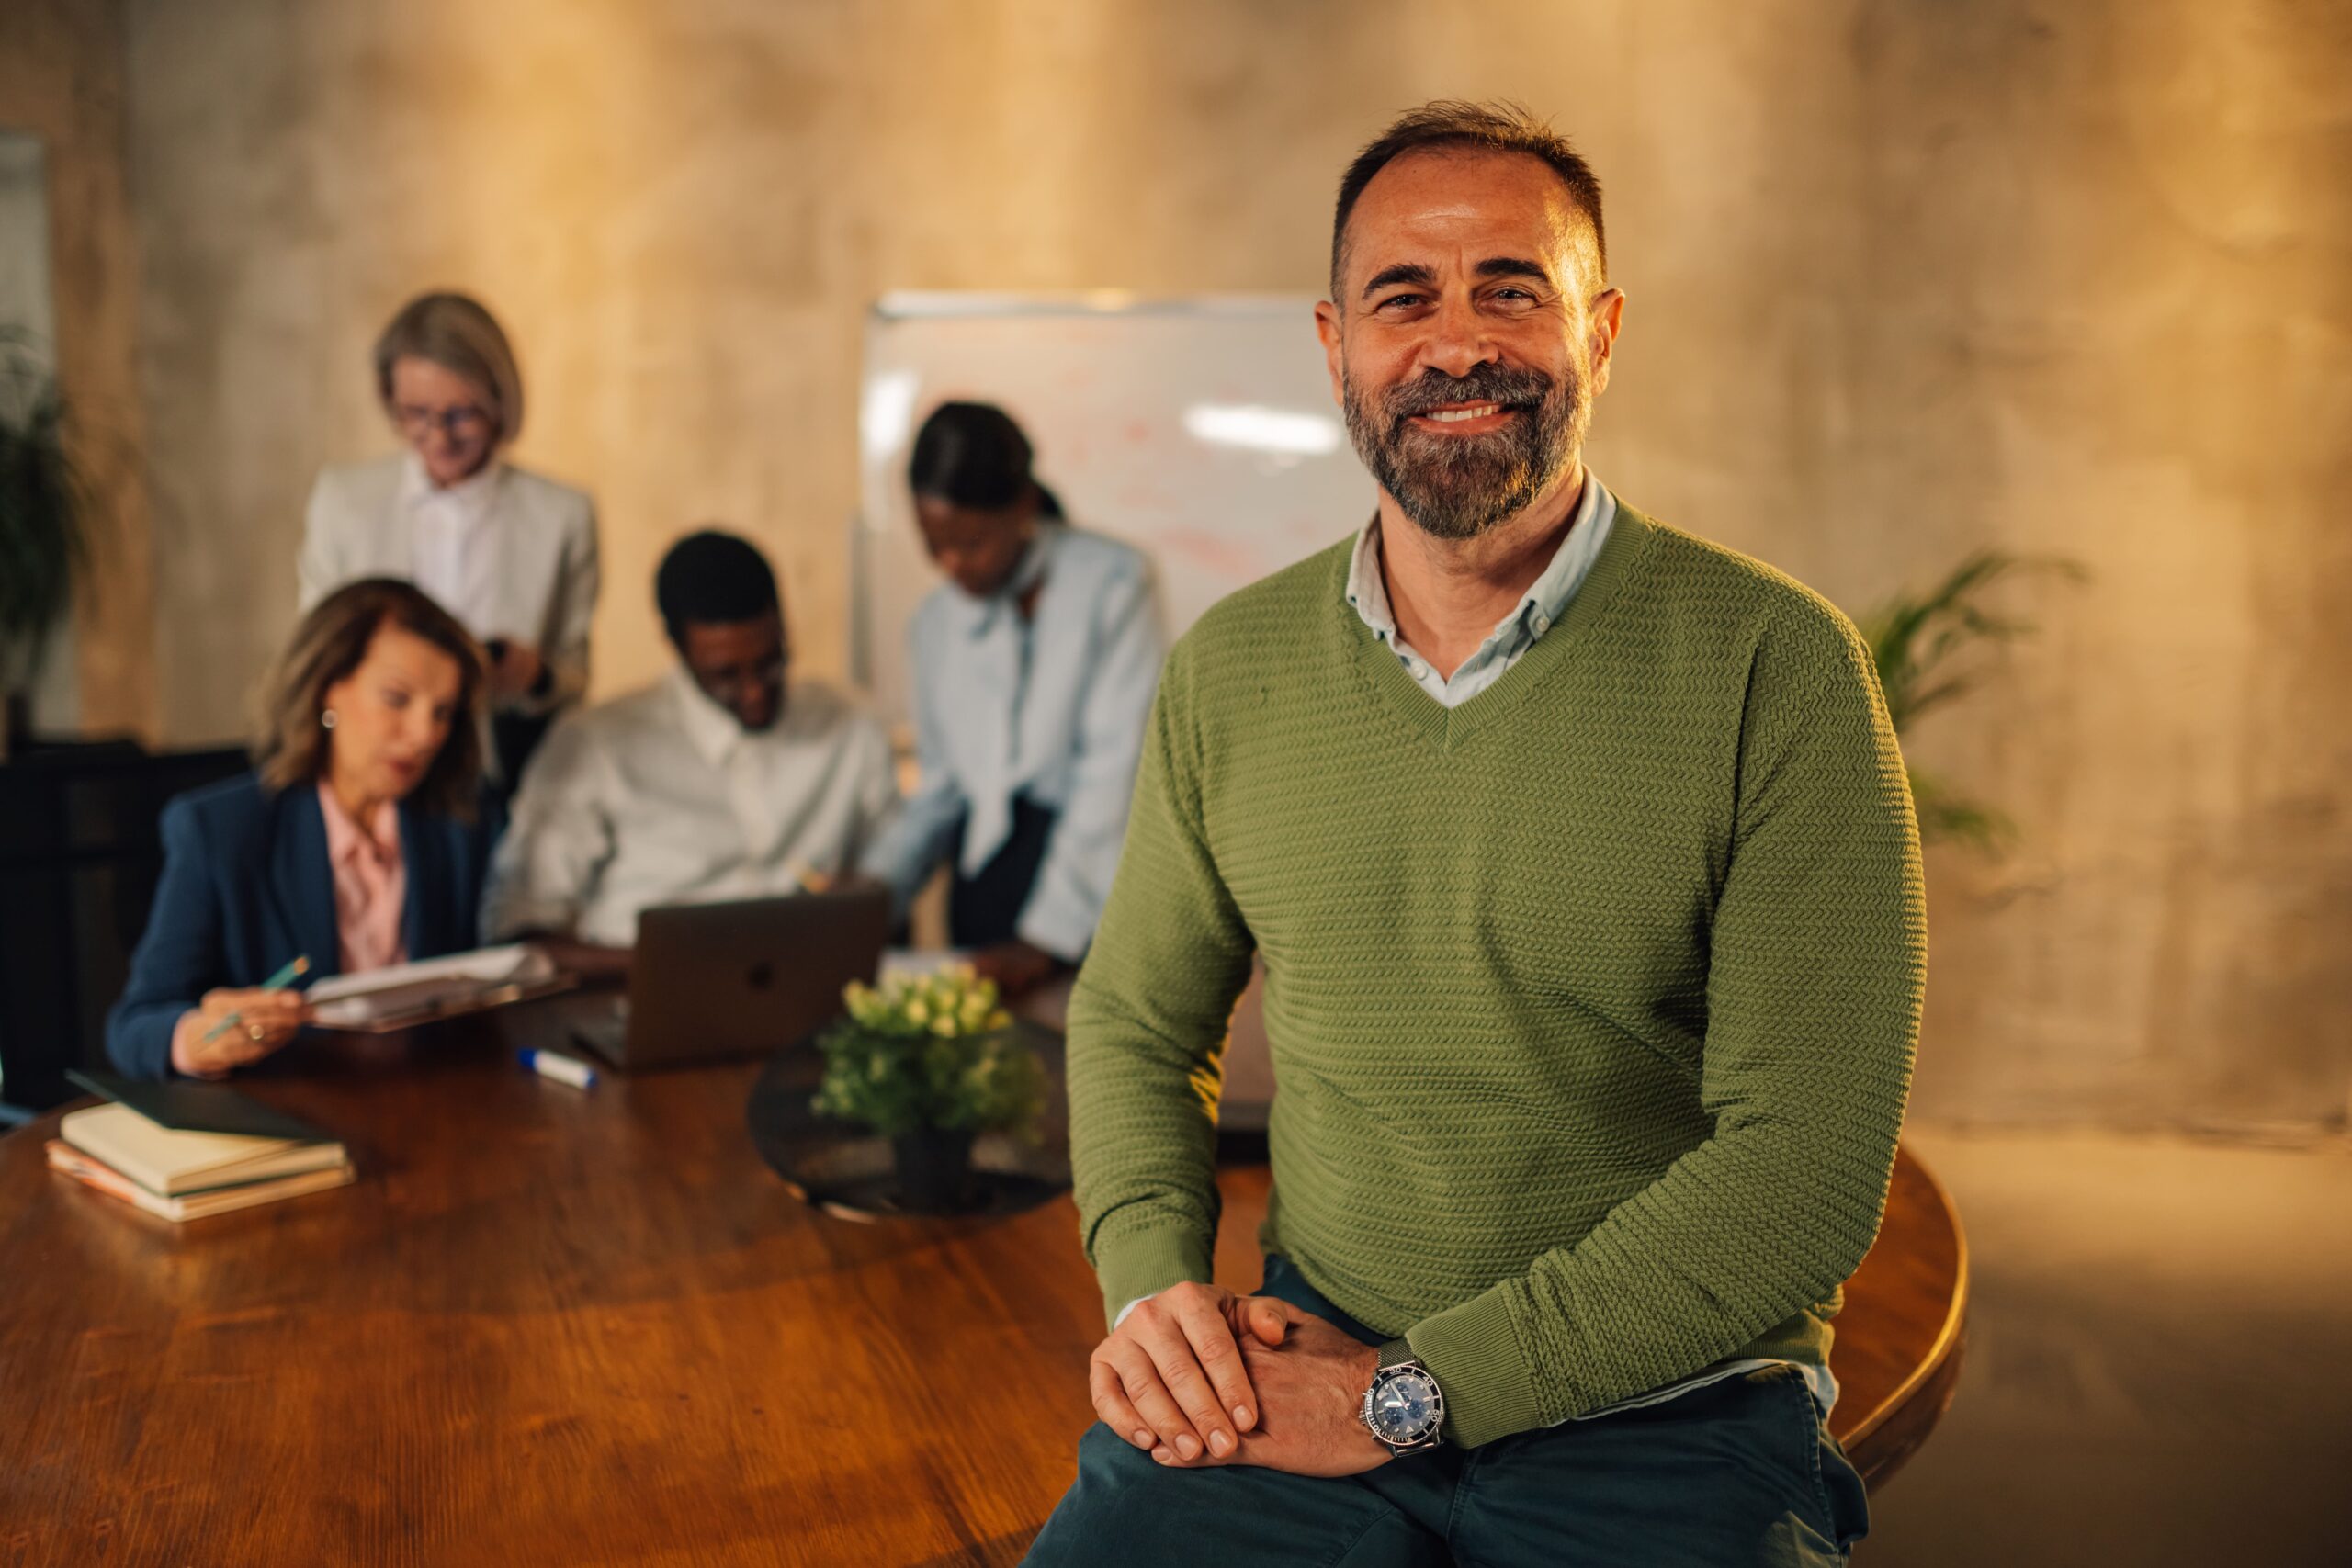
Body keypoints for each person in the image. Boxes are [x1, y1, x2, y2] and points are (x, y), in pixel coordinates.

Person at [1025, 102, 1925, 1567]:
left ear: (1603, 330)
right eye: (1405, 297)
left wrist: (1409, 1395)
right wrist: (1153, 1294)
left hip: (1666, 1408)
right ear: (1335, 346)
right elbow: (1132, 1014)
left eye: (1513, 288)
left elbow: (1805, 1169)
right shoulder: (1230, 670)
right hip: (1305, 1355)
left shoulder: (1781, 666)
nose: (1457, 346)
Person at [107, 580, 501, 1080]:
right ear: (327, 689)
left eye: (443, 712)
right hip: (290, 1114)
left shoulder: (459, 828)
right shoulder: (222, 832)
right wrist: (199, 1038)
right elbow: (133, 1025)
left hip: (428, 1108)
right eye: (398, 699)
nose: (426, 735)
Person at [859, 402, 1161, 998]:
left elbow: (1114, 769)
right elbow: (942, 788)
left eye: (971, 542)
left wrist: (1049, 936)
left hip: (1095, 882)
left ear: (1022, 508)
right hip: (984, 884)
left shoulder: (1113, 583)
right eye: (933, 542)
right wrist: (876, 884)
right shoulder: (933, 624)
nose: (951, 564)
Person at [483, 530, 896, 966]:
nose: (754, 692)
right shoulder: (596, 747)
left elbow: (888, 879)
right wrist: (672, 969)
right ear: (676, 647)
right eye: (725, 675)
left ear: (784, 626)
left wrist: (863, 895)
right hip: (635, 1007)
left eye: (770, 663)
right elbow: (519, 931)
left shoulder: (848, 728)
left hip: (811, 1003)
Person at [298, 290, 599, 784]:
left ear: (501, 403)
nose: (438, 437)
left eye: (461, 414)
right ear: (388, 398)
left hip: (496, 774)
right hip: (367, 770)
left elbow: (573, 677)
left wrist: (535, 675)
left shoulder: (561, 515)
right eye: (415, 413)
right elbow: (317, 656)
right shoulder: (343, 501)